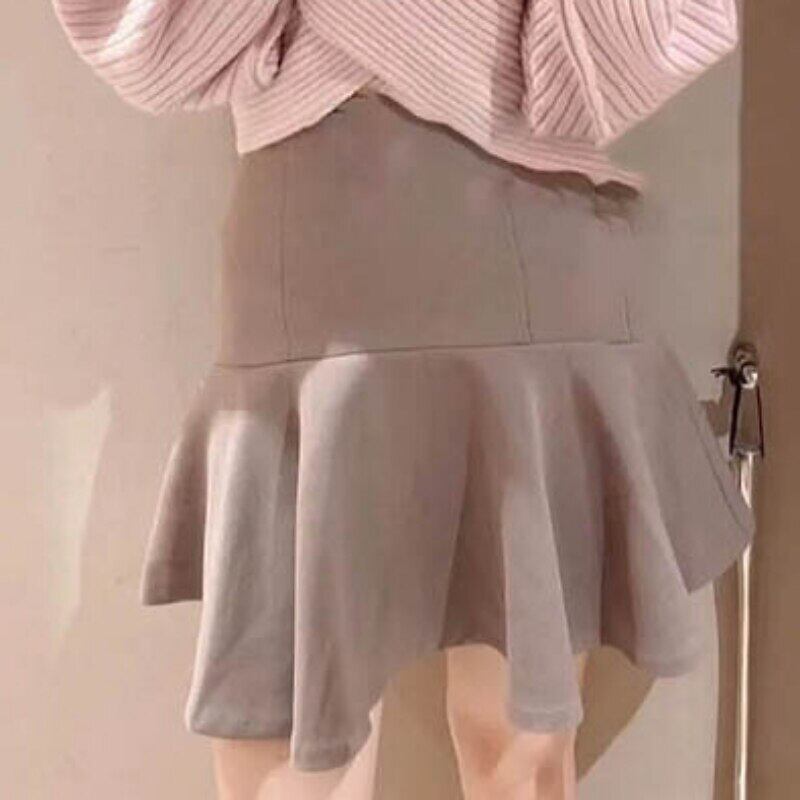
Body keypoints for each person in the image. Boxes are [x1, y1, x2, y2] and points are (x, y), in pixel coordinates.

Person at [51, 2, 753, 798]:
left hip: (517, 248)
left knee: (490, 742)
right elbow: (155, 45)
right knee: (306, 734)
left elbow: (639, 43)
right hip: (336, 255)